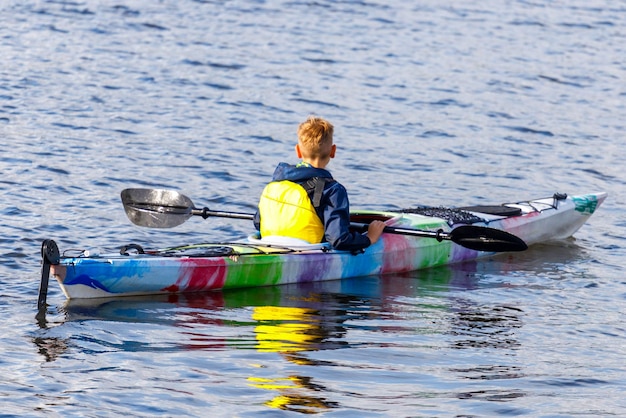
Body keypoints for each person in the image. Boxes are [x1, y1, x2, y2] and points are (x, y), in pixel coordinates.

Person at [253, 116, 386, 252]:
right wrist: (370, 238)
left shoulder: (276, 182)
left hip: (267, 245)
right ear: (333, 151)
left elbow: (258, 223)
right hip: (308, 251)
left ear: (298, 151)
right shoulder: (333, 190)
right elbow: (338, 239)